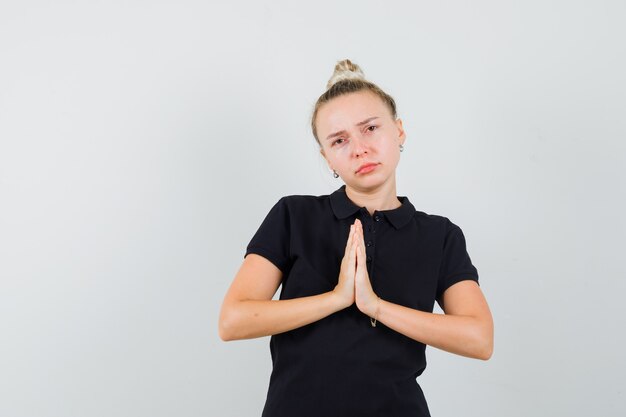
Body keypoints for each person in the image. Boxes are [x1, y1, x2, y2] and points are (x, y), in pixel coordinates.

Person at [218, 59, 493, 417]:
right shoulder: (293, 216)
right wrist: (336, 298)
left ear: (399, 131)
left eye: (371, 128)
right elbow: (233, 320)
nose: (359, 148)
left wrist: (375, 305)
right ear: (327, 158)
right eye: (339, 140)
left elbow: (479, 338)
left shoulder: (439, 235)